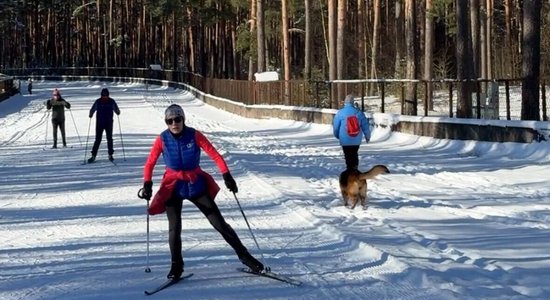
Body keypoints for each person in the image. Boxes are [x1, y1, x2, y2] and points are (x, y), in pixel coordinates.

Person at [139, 104, 264, 280]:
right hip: (173, 186)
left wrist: (227, 175)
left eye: (177, 119)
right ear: (166, 122)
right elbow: (150, 162)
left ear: (183, 119)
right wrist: (147, 184)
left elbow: (214, 154)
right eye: (170, 120)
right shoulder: (162, 139)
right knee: (174, 228)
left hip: (195, 183)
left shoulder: (194, 135)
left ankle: (246, 258)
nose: (174, 123)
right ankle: (176, 266)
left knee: (219, 223)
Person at [332, 94, 371, 170]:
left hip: (344, 139)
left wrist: (337, 135)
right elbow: (365, 126)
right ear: (353, 102)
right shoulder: (359, 113)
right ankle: (355, 169)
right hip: (356, 139)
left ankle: (349, 170)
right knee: (354, 154)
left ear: (345, 102)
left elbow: (336, 126)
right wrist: (367, 136)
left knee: (347, 155)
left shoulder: (340, 113)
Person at [88, 88, 120, 163]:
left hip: (109, 123)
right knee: (98, 139)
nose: (105, 97)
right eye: (104, 96)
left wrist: (117, 112)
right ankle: (93, 155)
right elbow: (93, 108)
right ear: (101, 95)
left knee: (109, 139)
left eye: (106, 96)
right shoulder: (98, 101)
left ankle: (110, 154)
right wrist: (91, 114)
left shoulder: (111, 101)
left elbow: (116, 109)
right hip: (99, 123)